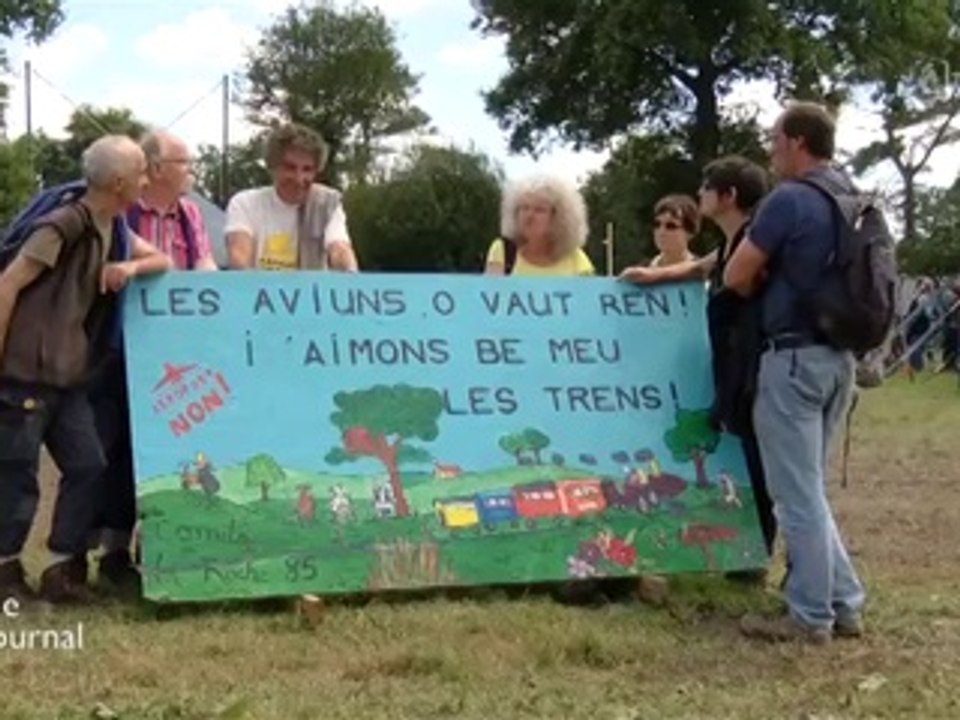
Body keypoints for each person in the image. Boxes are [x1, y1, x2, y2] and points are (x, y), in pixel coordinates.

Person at [0, 135, 172, 605]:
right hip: (24, 375)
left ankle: (61, 568)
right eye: (140, 172)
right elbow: (8, 283)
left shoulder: (112, 226)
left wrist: (128, 269)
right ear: (119, 182)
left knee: (89, 465)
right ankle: (5, 571)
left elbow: (164, 260)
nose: (146, 179)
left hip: (68, 378)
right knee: (16, 478)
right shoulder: (62, 225)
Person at [724, 102, 865, 644]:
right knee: (809, 489)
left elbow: (737, 274)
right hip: (840, 359)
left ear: (799, 141)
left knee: (795, 495)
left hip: (792, 357)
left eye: (776, 138)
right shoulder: (855, 198)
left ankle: (809, 617)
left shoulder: (790, 200)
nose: (771, 147)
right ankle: (844, 603)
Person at [620, 157, 777, 566]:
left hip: (756, 367)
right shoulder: (732, 244)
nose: (700, 193)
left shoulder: (755, 242)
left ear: (728, 197)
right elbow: (701, 266)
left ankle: (760, 555)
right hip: (736, 370)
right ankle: (752, 554)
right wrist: (651, 276)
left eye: (707, 187)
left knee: (765, 468)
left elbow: (730, 278)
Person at [88, 130, 217, 595]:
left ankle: (168, 545)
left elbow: (205, 269)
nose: (191, 171)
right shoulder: (126, 213)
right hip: (119, 350)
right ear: (157, 168)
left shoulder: (190, 214)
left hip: (175, 355)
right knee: (115, 450)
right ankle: (111, 552)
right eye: (185, 162)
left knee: (179, 452)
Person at [225, 123, 357, 272]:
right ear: (273, 166)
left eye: (307, 169)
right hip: (258, 292)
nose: (299, 178)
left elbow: (339, 248)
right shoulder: (244, 203)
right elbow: (239, 257)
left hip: (310, 292)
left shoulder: (326, 204)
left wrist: (350, 274)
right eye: (290, 167)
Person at [484, 175, 594, 276]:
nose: (529, 216)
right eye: (524, 208)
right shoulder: (502, 251)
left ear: (558, 218)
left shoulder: (576, 259)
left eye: (540, 210)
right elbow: (489, 293)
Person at [648, 194, 699, 268]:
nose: (661, 232)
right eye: (657, 224)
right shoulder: (638, 274)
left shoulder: (704, 274)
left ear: (689, 233)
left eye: (671, 226)